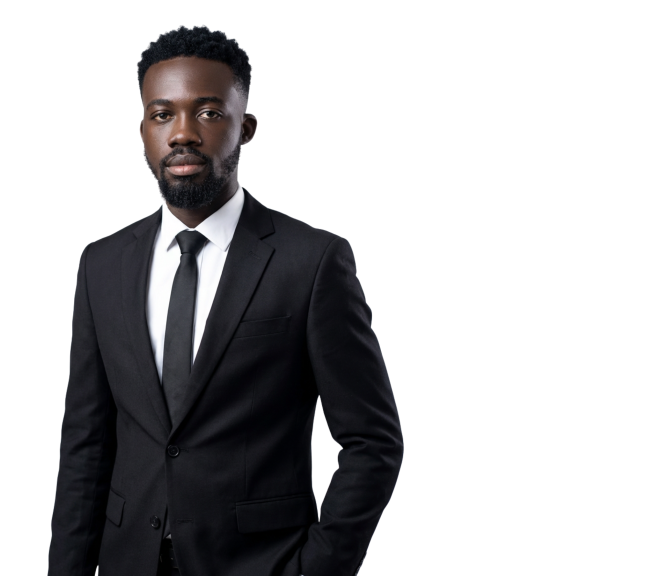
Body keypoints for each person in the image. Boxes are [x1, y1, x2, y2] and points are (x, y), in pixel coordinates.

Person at [48, 26, 403, 576]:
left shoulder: (311, 263)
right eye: (162, 114)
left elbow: (373, 442)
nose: (182, 133)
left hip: (258, 563)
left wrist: (315, 568)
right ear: (144, 130)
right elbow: (86, 445)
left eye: (209, 113)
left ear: (246, 127)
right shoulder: (103, 264)